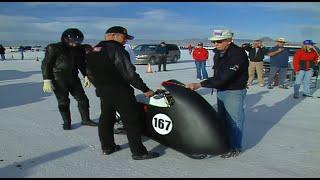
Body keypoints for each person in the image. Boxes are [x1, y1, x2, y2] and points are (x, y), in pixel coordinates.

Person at [85, 26, 159, 160]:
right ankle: (138, 152)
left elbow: (89, 73)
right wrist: (145, 89)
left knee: (107, 118)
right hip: (120, 90)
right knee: (131, 120)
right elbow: (129, 73)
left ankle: (107, 147)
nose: (125, 41)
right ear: (113, 35)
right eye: (124, 37)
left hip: (103, 91)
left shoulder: (93, 50)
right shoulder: (116, 49)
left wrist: (100, 87)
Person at [186, 29, 249, 158]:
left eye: (219, 41)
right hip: (221, 90)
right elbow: (218, 74)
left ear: (229, 41)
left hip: (234, 91)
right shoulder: (218, 53)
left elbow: (226, 76)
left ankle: (235, 147)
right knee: (222, 119)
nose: (216, 44)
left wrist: (200, 84)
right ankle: (223, 143)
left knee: (234, 121)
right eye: (214, 41)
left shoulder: (238, 54)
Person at [41, 28, 98, 130]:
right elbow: (46, 64)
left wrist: (86, 75)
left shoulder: (78, 49)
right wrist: (47, 79)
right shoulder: (54, 48)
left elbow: (81, 64)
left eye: (78, 42)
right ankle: (66, 122)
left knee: (83, 99)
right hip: (58, 78)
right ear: (66, 39)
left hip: (73, 78)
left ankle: (85, 119)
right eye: (74, 42)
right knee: (63, 101)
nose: (75, 44)